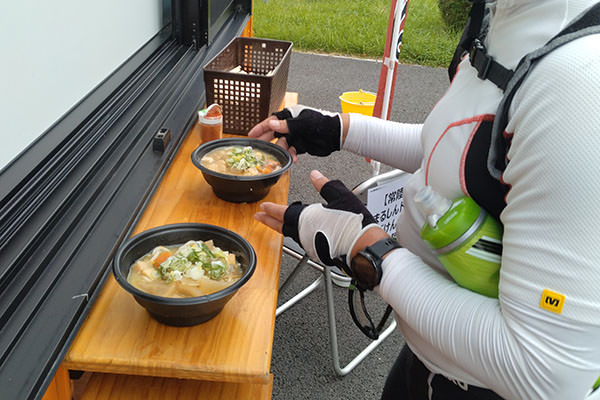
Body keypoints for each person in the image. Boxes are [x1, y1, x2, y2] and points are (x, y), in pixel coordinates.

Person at [249, 0, 600, 398]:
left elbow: (547, 373)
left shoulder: (580, 83)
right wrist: (338, 129)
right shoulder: (503, 16)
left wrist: (368, 251)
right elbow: (460, 149)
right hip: (430, 358)